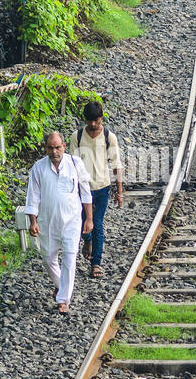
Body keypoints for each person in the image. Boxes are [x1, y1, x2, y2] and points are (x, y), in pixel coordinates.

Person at [24, 131, 92, 314]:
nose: (55, 152)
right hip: (47, 221)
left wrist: (89, 219)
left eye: (58, 147)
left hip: (72, 220)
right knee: (48, 258)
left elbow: (85, 192)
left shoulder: (75, 164)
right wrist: (33, 221)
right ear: (46, 148)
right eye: (51, 148)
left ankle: (63, 300)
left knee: (70, 257)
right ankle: (62, 285)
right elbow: (33, 196)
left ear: (64, 147)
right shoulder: (38, 168)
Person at [70, 101, 124, 279]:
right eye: (90, 121)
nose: (93, 125)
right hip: (82, 188)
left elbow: (116, 165)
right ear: (85, 120)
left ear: (101, 118)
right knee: (84, 223)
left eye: (97, 121)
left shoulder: (109, 137)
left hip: (102, 186)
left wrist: (119, 191)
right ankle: (88, 242)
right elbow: (70, 166)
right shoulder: (76, 137)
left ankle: (96, 263)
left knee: (98, 223)